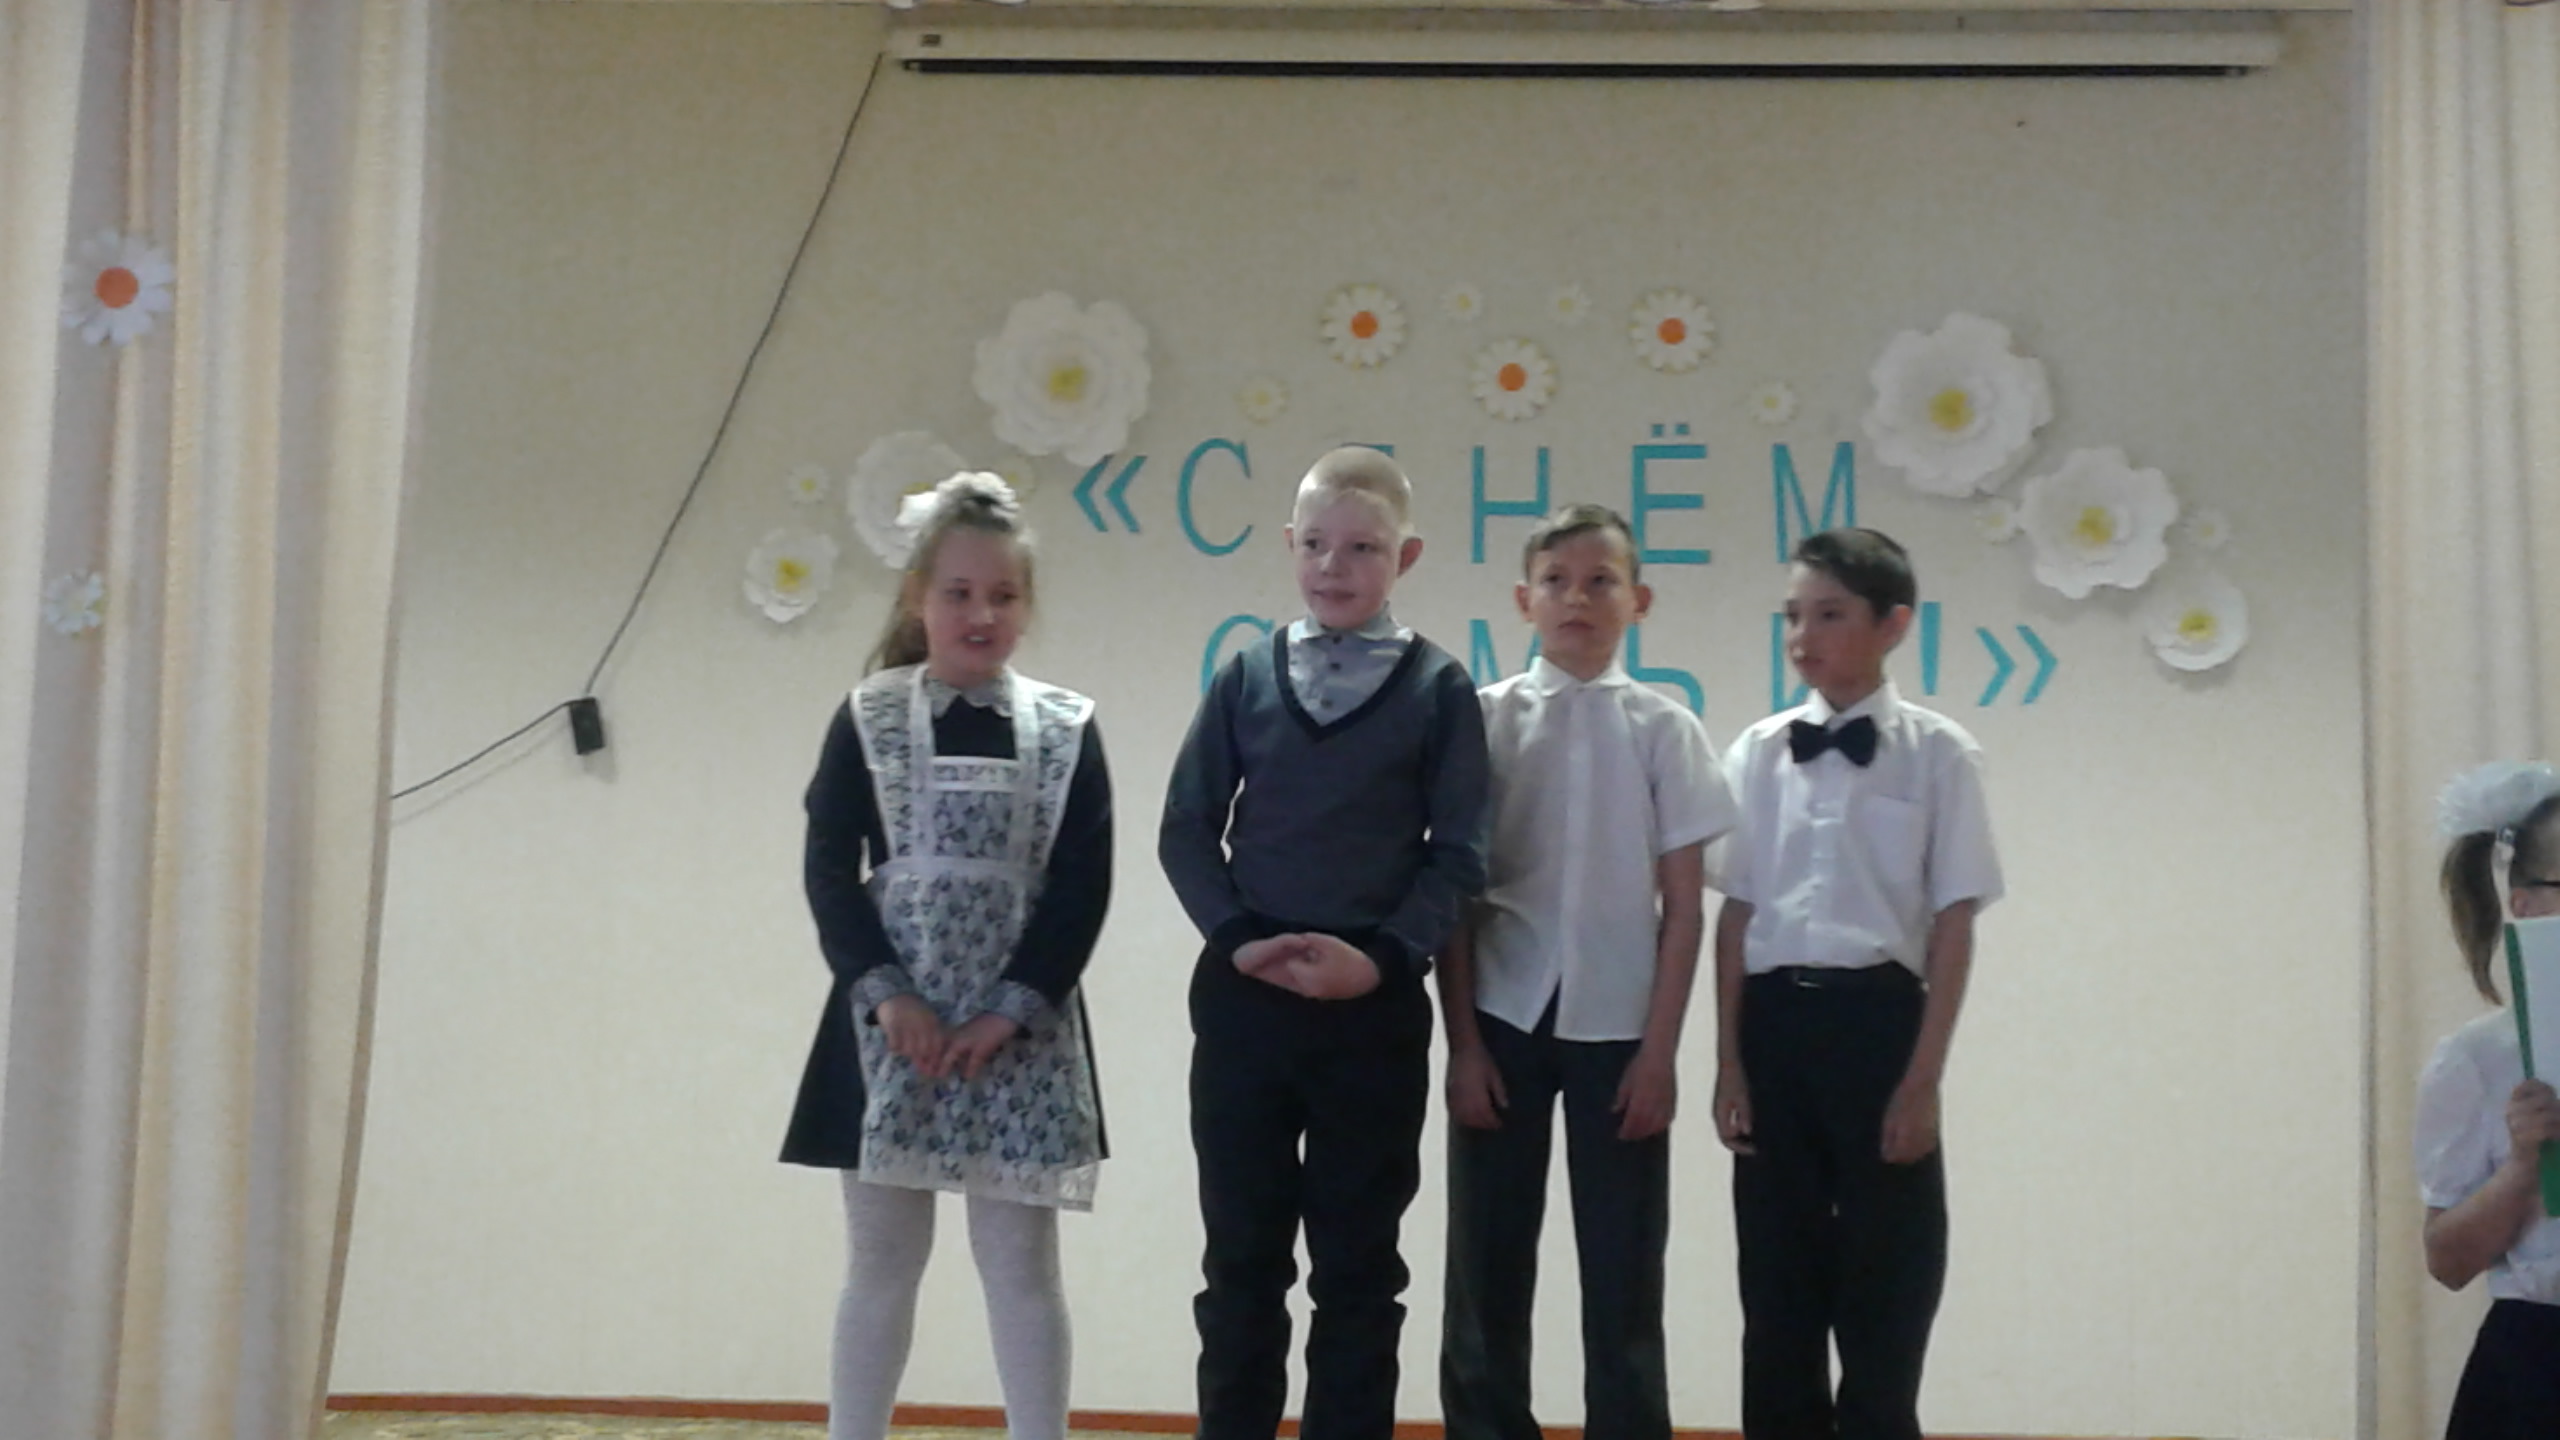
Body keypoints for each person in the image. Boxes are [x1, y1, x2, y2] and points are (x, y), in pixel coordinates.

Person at [1159, 445, 1492, 1440]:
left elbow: (1458, 856)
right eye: (1314, 545)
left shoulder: (1438, 690)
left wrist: (1382, 961)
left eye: (1361, 548)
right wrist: (1235, 940)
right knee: (1240, 1261)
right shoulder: (1246, 677)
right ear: (1289, 545)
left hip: (1372, 1015)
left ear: (1406, 557)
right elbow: (1186, 828)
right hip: (1245, 1002)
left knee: (1357, 1270)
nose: (1333, 566)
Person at [780, 473, 1112, 1440]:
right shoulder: (868, 718)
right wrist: (889, 996)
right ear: (916, 598)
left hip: (1022, 1038)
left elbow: (1082, 887)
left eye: (1003, 595)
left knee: (1021, 1268)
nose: (981, 613)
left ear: (1027, 605)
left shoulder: (1067, 730)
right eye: (959, 593)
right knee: (882, 1264)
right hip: (891, 1034)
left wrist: (1010, 1007)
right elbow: (828, 868)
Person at [1439, 503, 1738, 1440]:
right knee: (1487, 1265)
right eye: (1557, 581)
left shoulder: (1665, 728)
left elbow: (1684, 908)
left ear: (1638, 600)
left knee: (1624, 1267)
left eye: (1601, 581)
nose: (1577, 598)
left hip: (1621, 1029)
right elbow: (1454, 897)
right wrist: (1462, 1045)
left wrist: (1661, 1055)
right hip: (1503, 1016)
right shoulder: (1482, 721)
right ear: (1523, 599)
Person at [1712, 527, 2001, 1440]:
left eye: (1830, 614)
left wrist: (1924, 1081)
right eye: (1793, 616)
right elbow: (1736, 915)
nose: (1804, 636)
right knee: (1776, 1281)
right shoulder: (1758, 751)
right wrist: (1729, 1063)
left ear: (1893, 625)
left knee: (1890, 1278)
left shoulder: (1940, 755)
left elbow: (1953, 925)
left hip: (1881, 1023)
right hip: (1773, 1023)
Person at [2418, 761, 2560, 1439]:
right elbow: (2446, 1261)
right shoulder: (2478, 1059)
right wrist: (2524, 1165)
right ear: (2526, 905)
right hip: (2541, 1360)